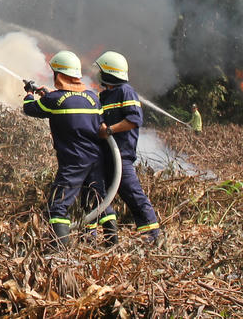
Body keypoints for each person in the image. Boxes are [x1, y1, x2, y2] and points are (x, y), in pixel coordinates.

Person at [22, 50, 104, 248]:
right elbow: (71, 104)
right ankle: (100, 242)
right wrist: (49, 94)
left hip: (73, 160)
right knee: (94, 201)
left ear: (58, 75)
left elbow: (30, 109)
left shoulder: (54, 100)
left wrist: (30, 95)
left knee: (58, 205)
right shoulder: (93, 98)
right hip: (96, 158)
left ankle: (59, 250)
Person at [87, 50, 162, 245]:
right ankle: (91, 235)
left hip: (121, 155)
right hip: (105, 155)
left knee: (131, 192)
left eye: (102, 70)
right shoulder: (104, 96)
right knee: (96, 192)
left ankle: (152, 234)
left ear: (110, 72)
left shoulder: (126, 92)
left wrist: (109, 130)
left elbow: (134, 120)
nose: (98, 73)